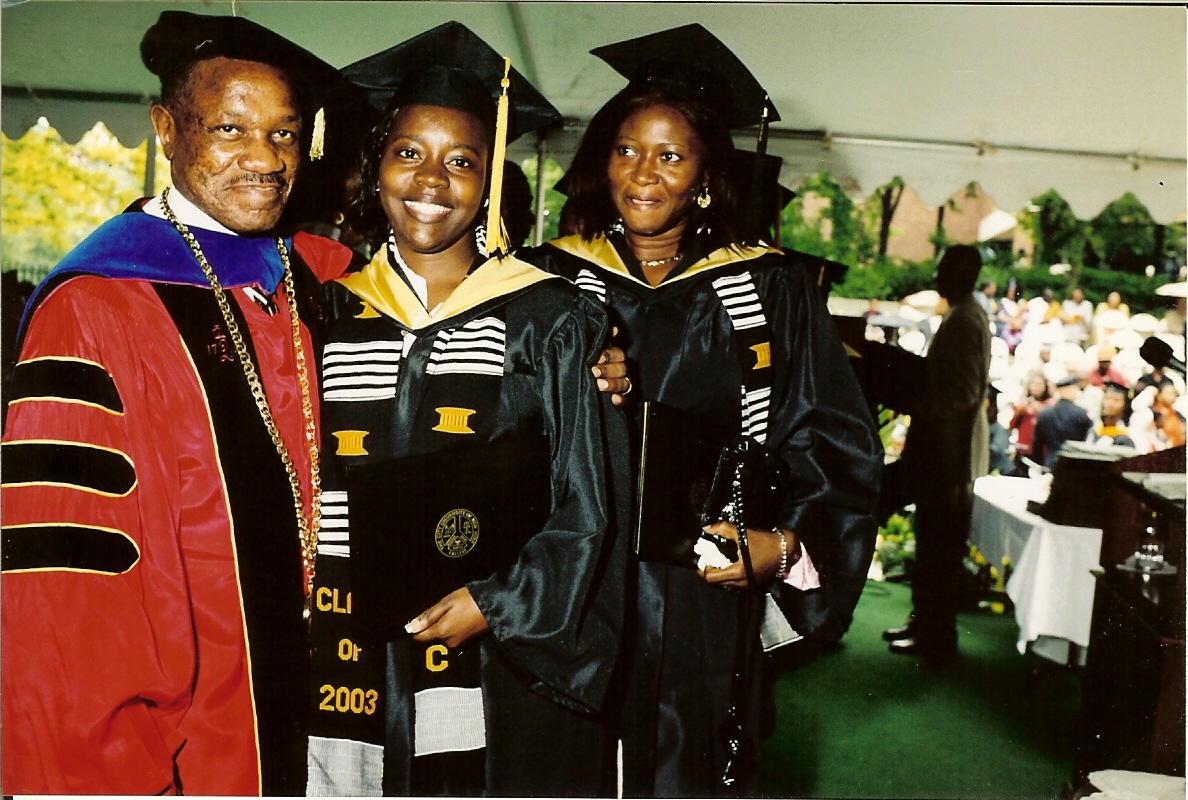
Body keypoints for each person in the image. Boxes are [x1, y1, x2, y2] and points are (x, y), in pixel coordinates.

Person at [523, 24, 882, 795]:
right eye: (626, 150)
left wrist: (784, 548)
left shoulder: (770, 290)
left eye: (670, 155)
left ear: (707, 176)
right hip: (570, 587)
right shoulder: (546, 281)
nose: (642, 174)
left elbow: (836, 445)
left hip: (702, 593)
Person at [0, 12, 350, 794]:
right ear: (165, 128)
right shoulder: (94, 309)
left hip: (324, 716)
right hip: (183, 738)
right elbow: (67, 587)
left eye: (285, 135)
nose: (264, 160)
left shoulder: (314, 281)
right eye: (230, 128)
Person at [302, 23, 627, 796]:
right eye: (409, 153)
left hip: (486, 653)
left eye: (461, 162)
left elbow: (588, 504)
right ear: (375, 163)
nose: (430, 181)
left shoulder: (550, 319)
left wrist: (496, 602)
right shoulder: (318, 309)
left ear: (487, 181)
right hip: (334, 639)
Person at [882, 244, 991, 662]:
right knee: (930, 547)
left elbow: (961, 392)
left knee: (940, 552)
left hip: (950, 458)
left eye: (945, 269)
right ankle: (923, 623)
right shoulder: (962, 314)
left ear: (965, 274)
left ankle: (935, 636)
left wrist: (917, 404)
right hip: (941, 456)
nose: (937, 276)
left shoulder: (965, 319)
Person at [1031, 375, 1094, 468]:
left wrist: (1040, 462)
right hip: (1073, 464)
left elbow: (1037, 444)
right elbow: (1087, 440)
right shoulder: (1081, 414)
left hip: (1050, 462)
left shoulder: (1044, 413)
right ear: (1072, 389)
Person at [1008, 372, 1054, 474]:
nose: (1036, 387)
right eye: (1033, 384)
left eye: (1039, 384)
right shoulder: (1023, 404)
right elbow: (1011, 425)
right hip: (1024, 450)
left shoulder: (1050, 406)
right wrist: (1020, 410)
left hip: (1041, 451)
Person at [1090, 381, 1135, 448]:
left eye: (1116, 400)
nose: (1110, 404)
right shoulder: (1094, 430)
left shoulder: (1125, 437)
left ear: (1125, 406)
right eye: (1107, 398)